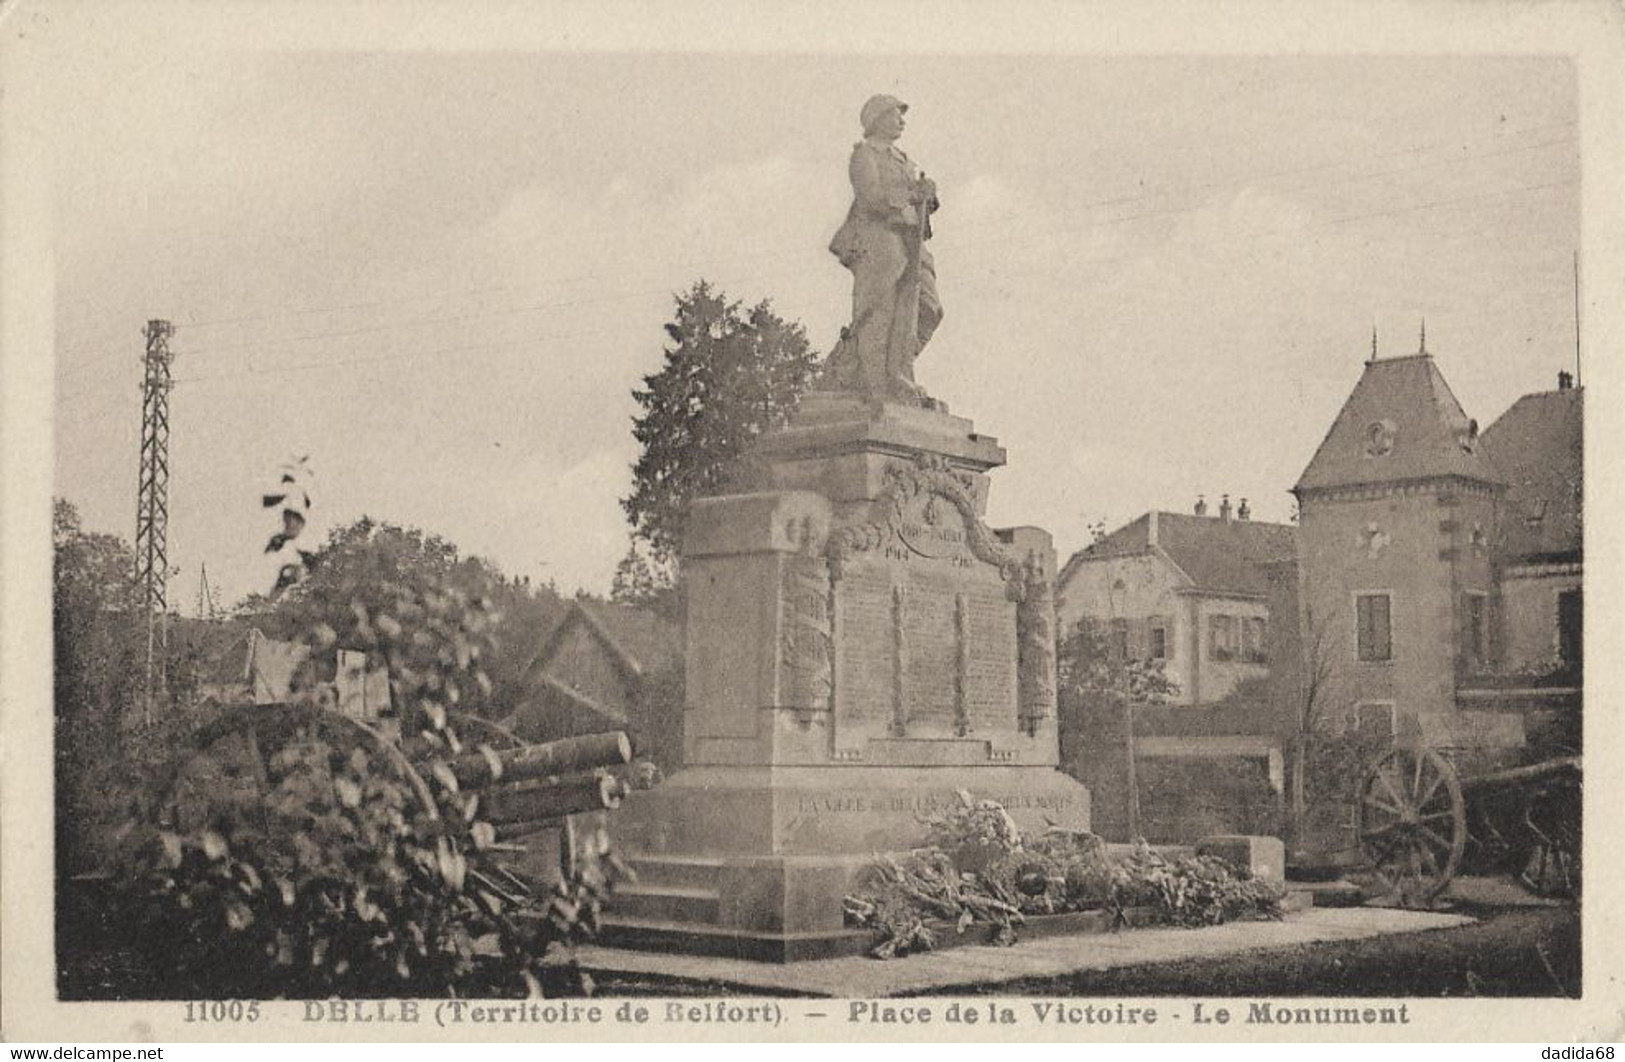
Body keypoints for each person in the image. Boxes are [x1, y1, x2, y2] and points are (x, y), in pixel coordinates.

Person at [825, 94, 942, 404]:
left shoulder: (905, 160)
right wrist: (912, 193)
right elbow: (872, 198)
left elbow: (916, 201)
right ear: (877, 119)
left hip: (910, 241)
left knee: (928, 309)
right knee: (879, 312)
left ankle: (896, 370)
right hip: (879, 241)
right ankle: (879, 383)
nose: (902, 121)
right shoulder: (864, 155)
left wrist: (928, 196)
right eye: (895, 115)